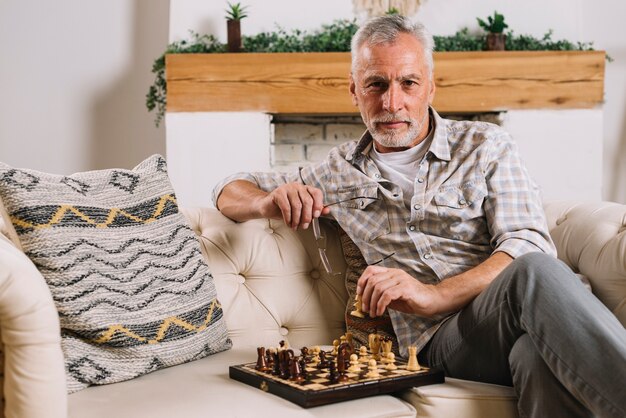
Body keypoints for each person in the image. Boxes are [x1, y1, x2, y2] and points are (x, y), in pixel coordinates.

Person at [212, 15, 626, 418]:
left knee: (534, 355)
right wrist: (266, 203)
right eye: (376, 84)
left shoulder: (485, 145)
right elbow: (229, 187)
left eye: (408, 82)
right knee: (533, 272)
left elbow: (528, 241)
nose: (393, 102)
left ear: (430, 86)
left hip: (533, 314)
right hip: (445, 341)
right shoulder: (335, 172)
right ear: (354, 91)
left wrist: (434, 294)